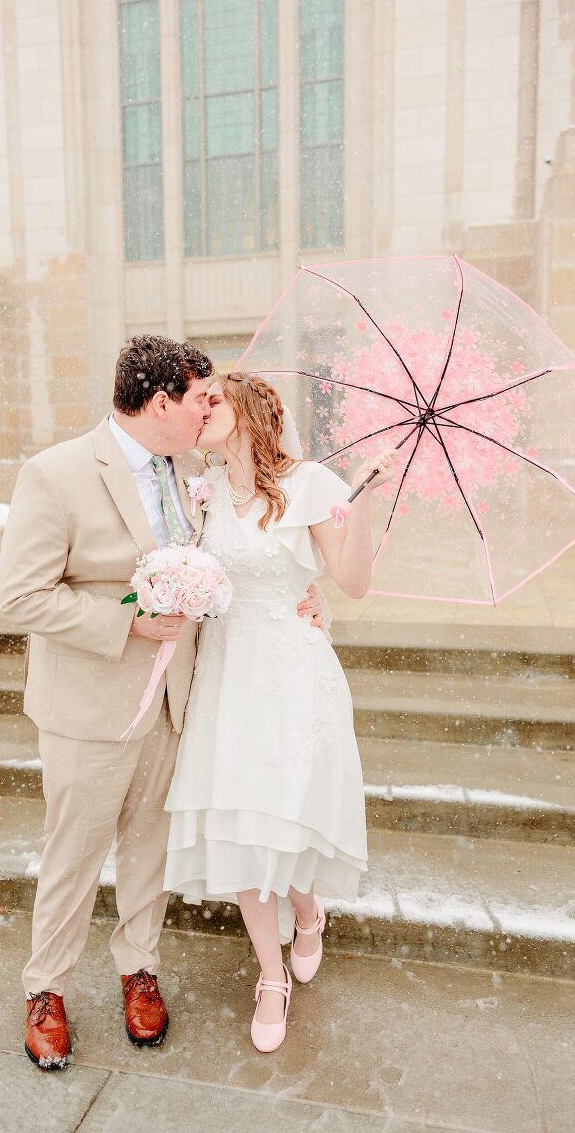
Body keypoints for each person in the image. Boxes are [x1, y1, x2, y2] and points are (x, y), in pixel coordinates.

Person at [0, 337, 324, 1069]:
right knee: (73, 855)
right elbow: (22, 595)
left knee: (149, 851)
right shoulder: (56, 473)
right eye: (201, 398)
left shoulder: (192, 472)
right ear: (160, 403)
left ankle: (138, 968)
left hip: (177, 702)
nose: (210, 409)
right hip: (89, 707)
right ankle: (45, 989)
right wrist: (127, 623)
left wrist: (305, 594)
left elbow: (251, 547)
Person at [163, 372, 397, 1053]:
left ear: (249, 411)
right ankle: (271, 975)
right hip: (227, 674)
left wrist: (361, 511)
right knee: (243, 823)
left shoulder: (313, 484)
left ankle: (307, 908)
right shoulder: (201, 492)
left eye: (213, 400)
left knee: (283, 813)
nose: (202, 409)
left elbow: (351, 583)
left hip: (292, 673)